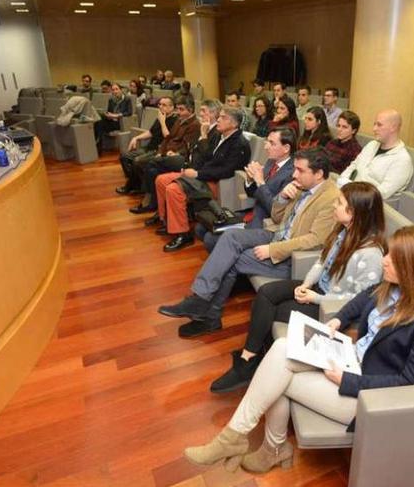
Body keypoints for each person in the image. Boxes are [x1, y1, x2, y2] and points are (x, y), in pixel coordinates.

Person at [184, 224, 414, 473]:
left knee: (276, 376)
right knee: (280, 350)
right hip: (349, 358)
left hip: (368, 398)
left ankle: (256, 445)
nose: (385, 259)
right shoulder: (393, 287)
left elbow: (410, 382)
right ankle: (252, 443)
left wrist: (348, 380)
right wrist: (338, 319)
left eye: (395, 258)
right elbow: (363, 298)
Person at [209, 181, 387, 393]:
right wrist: (305, 285)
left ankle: (250, 361)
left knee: (273, 311)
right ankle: (251, 356)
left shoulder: (371, 254)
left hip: (332, 308)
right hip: (318, 289)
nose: (334, 206)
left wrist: (315, 298)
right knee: (267, 293)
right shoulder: (342, 231)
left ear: (354, 212)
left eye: (339, 203)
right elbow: (322, 262)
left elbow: (357, 300)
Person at [158, 148, 339, 337]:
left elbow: (315, 240)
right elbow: (278, 217)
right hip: (277, 235)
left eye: (300, 170)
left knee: (233, 259)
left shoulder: (330, 198)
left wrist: (272, 249)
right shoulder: (303, 186)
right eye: (294, 169)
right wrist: (283, 197)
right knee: (230, 237)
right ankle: (201, 299)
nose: (294, 175)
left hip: (291, 257)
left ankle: (209, 315)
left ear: (318, 174)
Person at [152, 105, 251, 252]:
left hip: (215, 182)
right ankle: (168, 221)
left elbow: (227, 171)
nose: (218, 119)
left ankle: (183, 234)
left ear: (234, 124)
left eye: (223, 117)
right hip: (203, 174)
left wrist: (197, 174)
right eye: (219, 116)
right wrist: (203, 139)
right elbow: (206, 156)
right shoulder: (219, 135)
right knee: (161, 180)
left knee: (174, 190)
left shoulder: (239, 144)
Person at [130, 95, 200, 214]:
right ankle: (155, 202)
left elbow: (188, 147)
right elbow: (167, 139)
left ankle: (150, 202)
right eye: (178, 109)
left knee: (148, 163)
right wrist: (160, 152)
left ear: (191, 110)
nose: (178, 112)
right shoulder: (179, 120)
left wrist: (174, 153)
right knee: (151, 169)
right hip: (167, 154)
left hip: (179, 157)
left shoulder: (194, 125)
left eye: (181, 109)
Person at [338, 109, 413, 204]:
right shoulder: (372, 145)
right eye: (374, 124)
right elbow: (353, 166)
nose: (374, 129)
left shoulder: (402, 160)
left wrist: (350, 194)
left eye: (379, 125)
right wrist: (341, 182)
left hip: (366, 205)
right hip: (350, 195)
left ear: (393, 127)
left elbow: (381, 193)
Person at [116, 96, 176, 195]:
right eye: (159, 104)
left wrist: (162, 122)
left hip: (159, 150)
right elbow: (151, 132)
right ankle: (137, 183)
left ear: (171, 107)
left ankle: (132, 186)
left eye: (164, 105)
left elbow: (168, 137)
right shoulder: (161, 116)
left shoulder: (174, 120)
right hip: (149, 147)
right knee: (124, 157)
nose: (160, 107)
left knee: (137, 161)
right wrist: (136, 138)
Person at [94, 82, 132, 152]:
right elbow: (109, 111)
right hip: (112, 121)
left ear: (121, 90)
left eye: (116, 89)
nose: (115, 91)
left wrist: (116, 115)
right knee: (99, 119)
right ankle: (98, 144)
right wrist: (108, 115)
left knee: (100, 124)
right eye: (113, 90)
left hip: (121, 123)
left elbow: (129, 113)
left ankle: (97, 145)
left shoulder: (127, 99)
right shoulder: (111, 100)